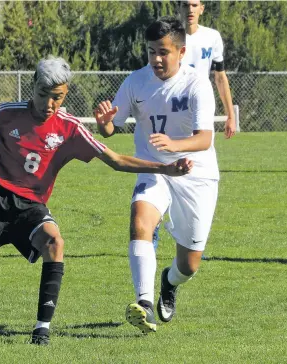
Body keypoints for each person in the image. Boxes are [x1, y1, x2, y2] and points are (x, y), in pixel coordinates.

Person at [0, 56, 193, 345]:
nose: (50, 103)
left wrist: (166, 167)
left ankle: (42, 328)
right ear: (33, 88)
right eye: (44, 94)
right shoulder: (8, 113)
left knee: (55, 243)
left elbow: (115, 159)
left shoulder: (70, 128)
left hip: (32, 206)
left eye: (58, 96)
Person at [95, 17, 219, 334]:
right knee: (140, 218)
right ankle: (145, 304)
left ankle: (169, 281)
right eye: (151, 52)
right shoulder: (136, 82)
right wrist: (105, 123)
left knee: (188, 265)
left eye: (163, 52)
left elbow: (205, 138)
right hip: (154, 168)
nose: (156, 60)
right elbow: (111, 129)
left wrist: (174, 144)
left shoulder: (197, 84)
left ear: (181, 51)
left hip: (196, 175)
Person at [179, 0, 236, 139]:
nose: (190, 10)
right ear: (180, 8)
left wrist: (230, 115)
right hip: (176, 102)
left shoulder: (212, 36)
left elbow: (220, 78)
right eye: (185, 5)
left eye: (194, 5)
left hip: (202, 101)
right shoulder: (171, 37)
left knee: (204, 150)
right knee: (176, 154)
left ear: (201, 9)